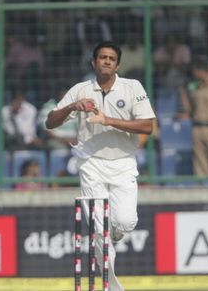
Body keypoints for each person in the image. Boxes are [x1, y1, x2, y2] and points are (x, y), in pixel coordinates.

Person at [45, 41, 155, 291]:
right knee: (98, 232)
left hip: (123, 163)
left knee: (125, 222)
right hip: (91, 163)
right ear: (94, 63)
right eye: (102, 57)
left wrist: (109, 120)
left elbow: (147, 126)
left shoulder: (132, 87)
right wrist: (73, 106)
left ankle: (114, 234)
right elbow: (50, 122)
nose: (106, 61)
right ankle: (112, 288)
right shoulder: (80, 89)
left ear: (117, 65)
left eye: (111, 58)